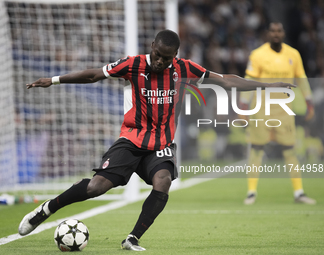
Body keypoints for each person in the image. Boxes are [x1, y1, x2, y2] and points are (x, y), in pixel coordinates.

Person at [18, 29, 294, 250]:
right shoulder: (132, 64)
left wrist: (268, 86)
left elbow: (226, 81)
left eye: (167, 57)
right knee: (96, 188)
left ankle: (132, 239)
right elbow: (93, 75)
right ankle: (46, 209)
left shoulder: (184, 68)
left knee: (163, 181)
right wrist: (53, 80)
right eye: (157, 54)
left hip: (160, 145)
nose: (160, 61)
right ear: (152, 46)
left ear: (176, 55)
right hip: (131, 139)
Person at [240, 22, 316, 205]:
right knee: (257, 149)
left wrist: (309, 101)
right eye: (272, 31)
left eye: (279, 31)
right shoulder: (258, 55)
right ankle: (251, 192)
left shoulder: (293, 54)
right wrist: (243, 106)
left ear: (283, 33)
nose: (275, 34)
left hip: (284, 111)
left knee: (290, 150)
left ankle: (299, 192)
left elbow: (302, 78)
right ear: (268, 33)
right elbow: (249, 81)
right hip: (261, 110)